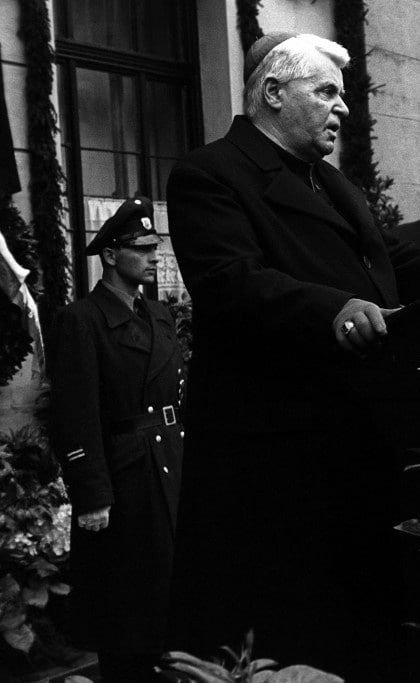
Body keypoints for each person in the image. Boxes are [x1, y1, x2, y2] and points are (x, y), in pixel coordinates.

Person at [165, 33, 420, 680]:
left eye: (343, 95)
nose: (343, 109)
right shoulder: (209, 174)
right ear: (274, 93)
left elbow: (390, 259)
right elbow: (232, 282)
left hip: (356, 450)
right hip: (274, 469)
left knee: (361, 634)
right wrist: (332, 309)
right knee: (292, 639)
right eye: (326, 92)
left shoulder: (329, 180)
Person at [49, 196, 185, 683]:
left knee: (175, 603)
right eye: (142, 247)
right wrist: (92, 494)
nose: (154, 256)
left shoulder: (161, 315)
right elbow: (73, 414)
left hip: (171, 461)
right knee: (129, 611)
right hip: (126, 478)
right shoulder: (82, 320)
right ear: (110, 255)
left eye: (156, 246)